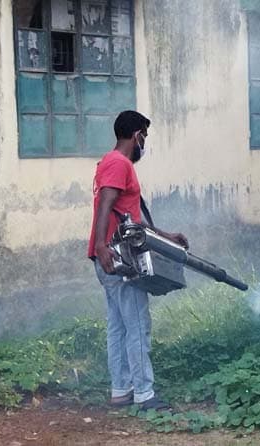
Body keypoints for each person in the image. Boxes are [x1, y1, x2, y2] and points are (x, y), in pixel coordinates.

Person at [87, 111, 188, 411]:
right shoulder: (119, 163)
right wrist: (103, 245)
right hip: (118, 256)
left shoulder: (112, 163)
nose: (144, 143)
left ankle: (121, 390)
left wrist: (165, 235)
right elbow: (106, 205)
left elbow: (130, 219)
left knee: (119, 325)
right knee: (137, 324)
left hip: (110, 254)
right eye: (144, 136)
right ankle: (144, 394)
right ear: (136, 135)